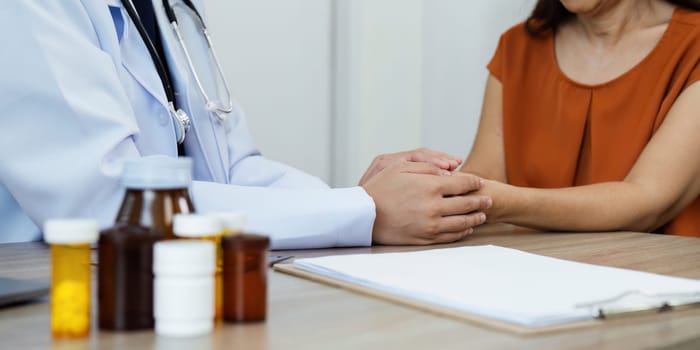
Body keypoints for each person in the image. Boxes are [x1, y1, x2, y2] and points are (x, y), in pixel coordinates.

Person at [0, 0, 491, 248]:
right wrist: (363, 210)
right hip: (57, 294)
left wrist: (366, 200)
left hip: (166, 281)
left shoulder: (163, 7)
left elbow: (232, 171)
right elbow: (108, 204)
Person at [460, 0, 700, 235]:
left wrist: (496, 202)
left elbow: (650, 200)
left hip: (657, 272)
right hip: (533, 272)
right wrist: (440, 188)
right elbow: (484, 176)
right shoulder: (518, 46)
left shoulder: (693, 45)